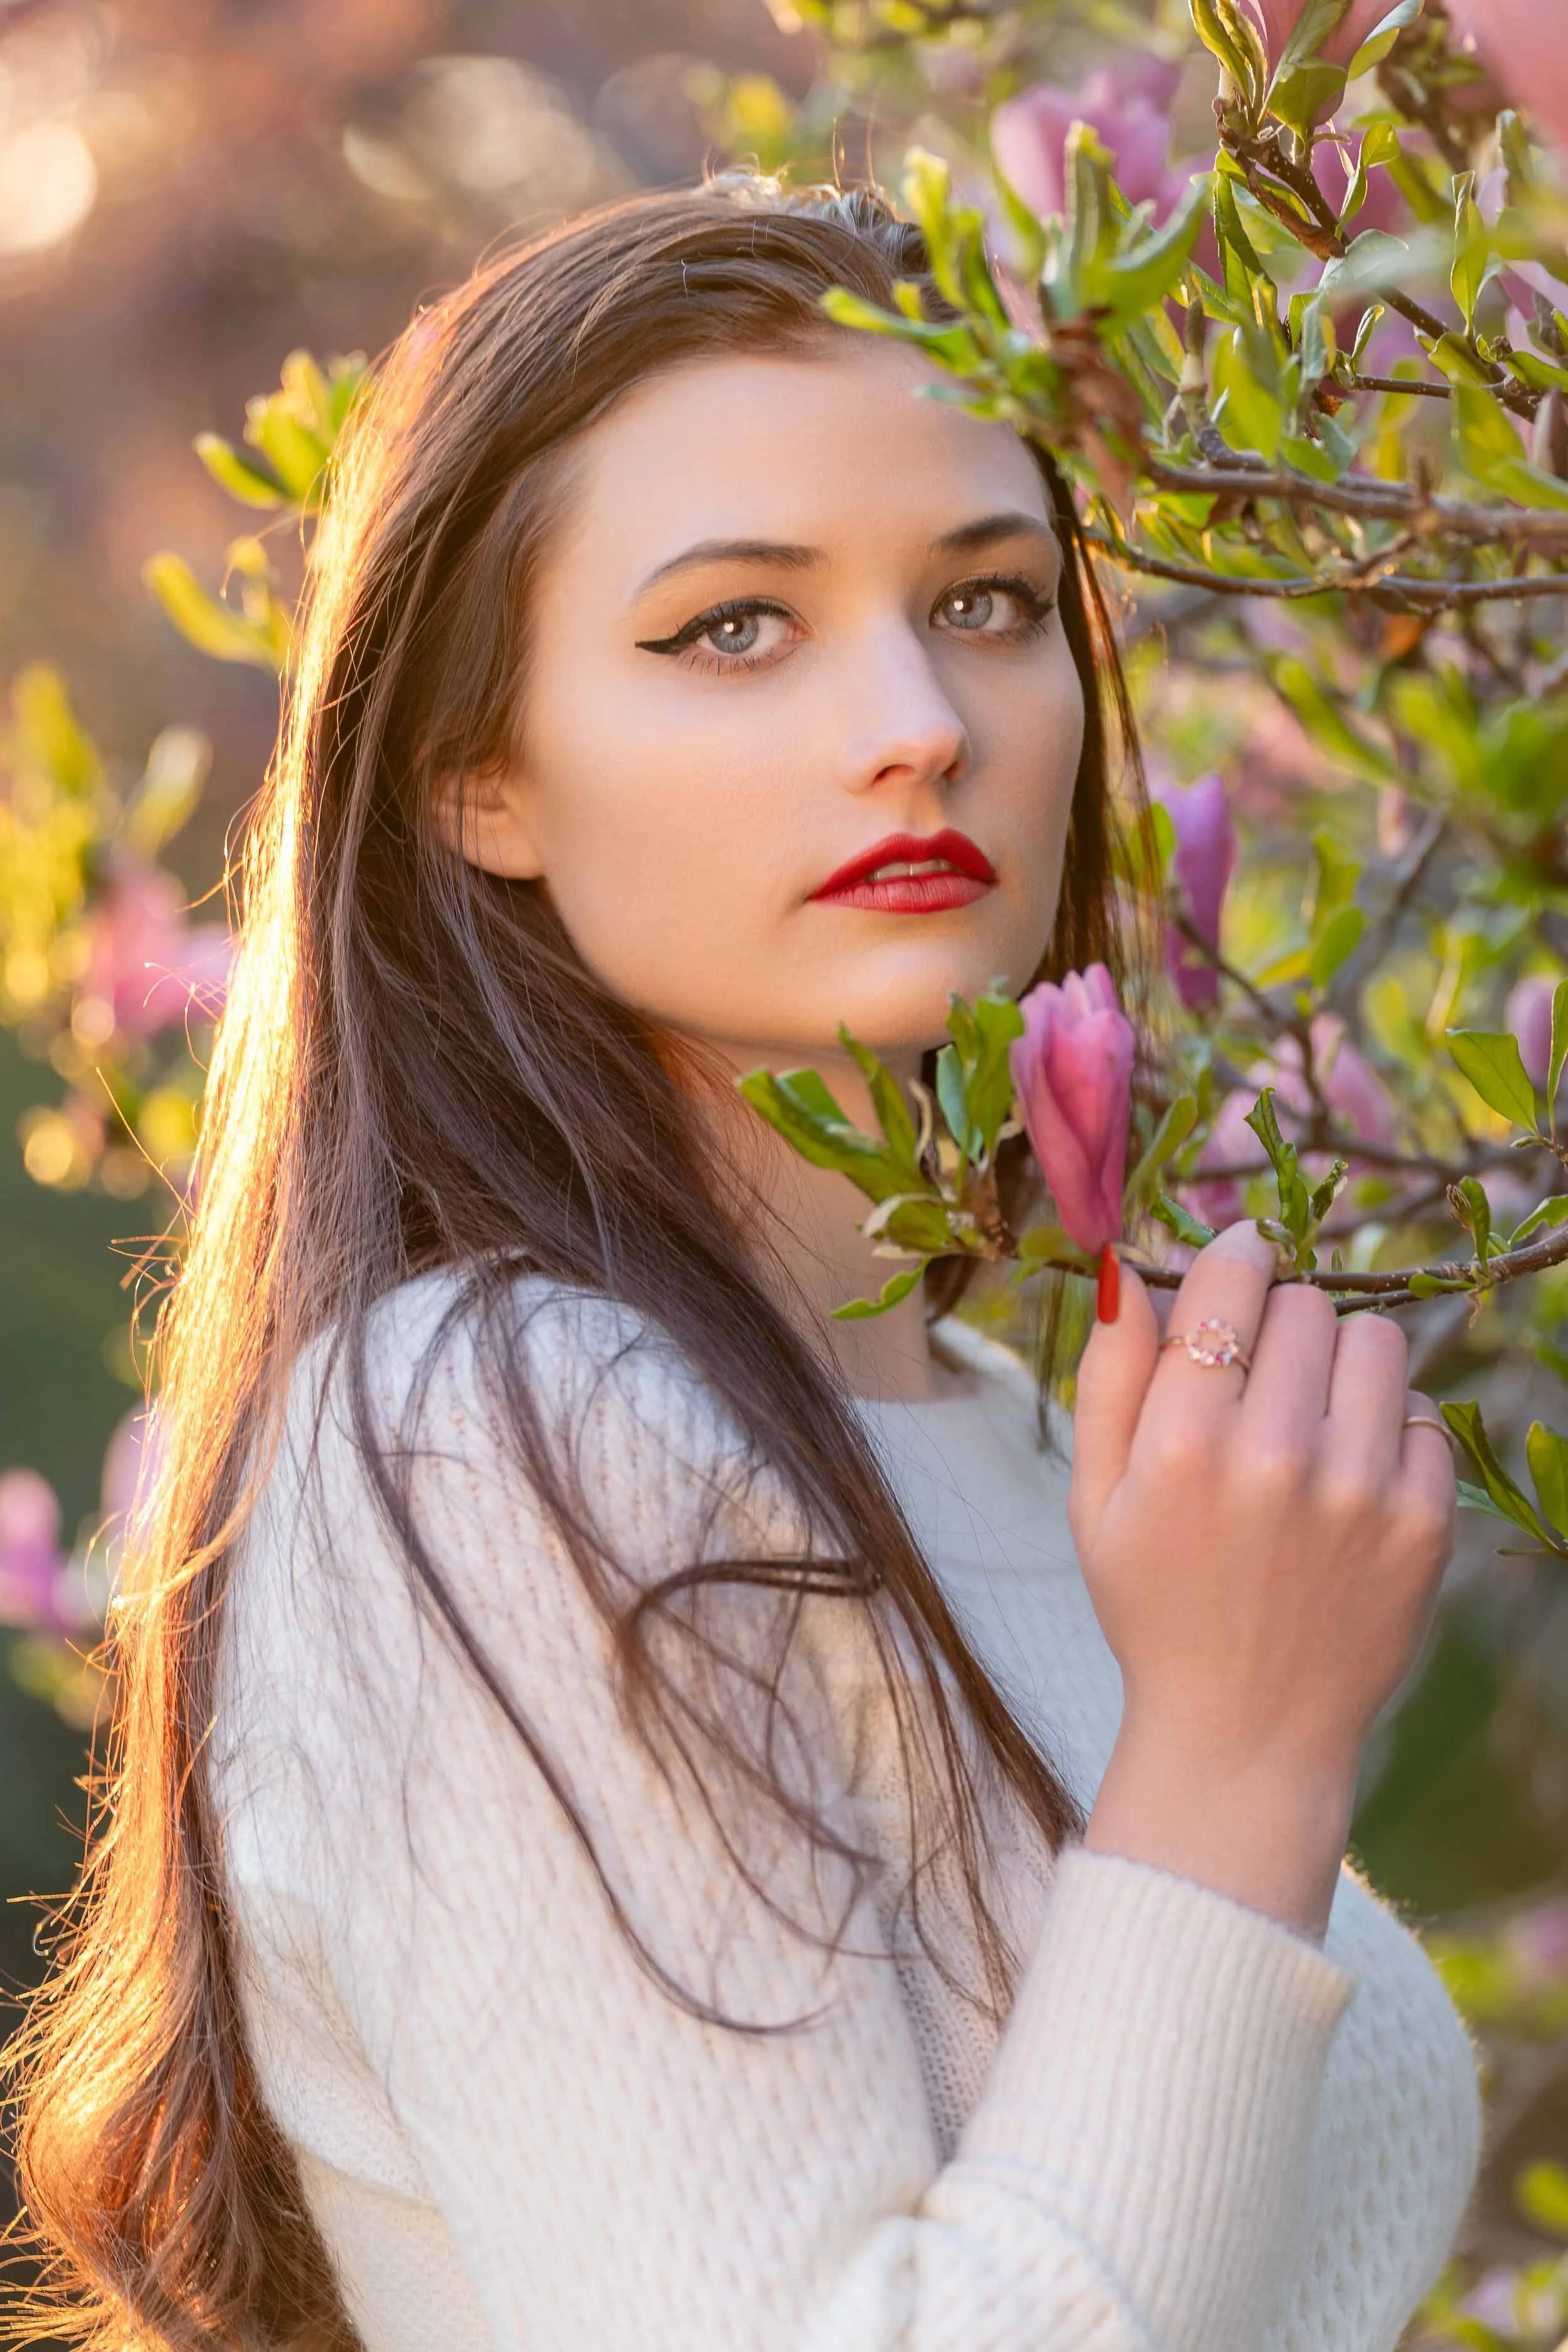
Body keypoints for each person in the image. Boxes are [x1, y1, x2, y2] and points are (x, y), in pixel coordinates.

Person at [4, 176, 1480, 2352]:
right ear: (475, 774)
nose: (917, 718)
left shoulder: (1037, 1459)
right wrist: (1242, 1755)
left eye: (986, 600)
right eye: (732, 626)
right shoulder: (505, 1437)